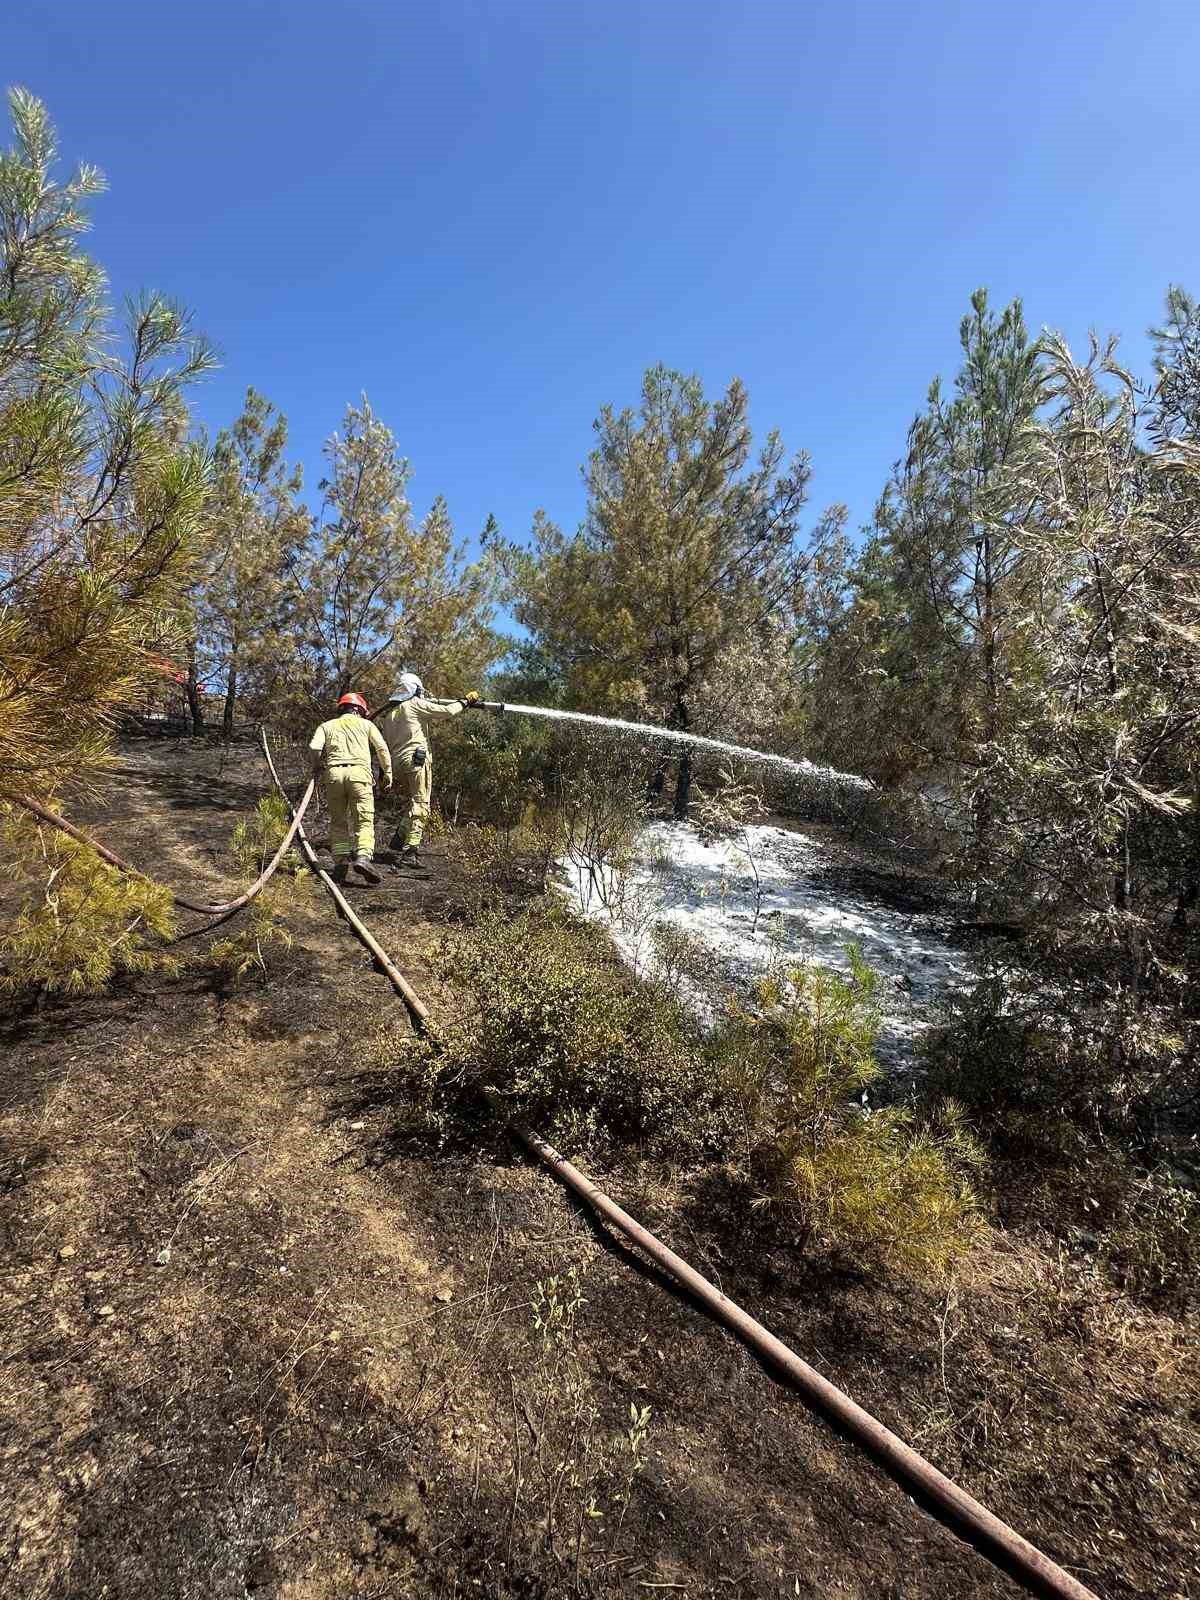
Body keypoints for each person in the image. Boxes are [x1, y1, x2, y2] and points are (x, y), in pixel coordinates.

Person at [378, 672, 480, 865]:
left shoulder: (390, 715)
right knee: (422, 805)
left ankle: (399, 838)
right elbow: (447, 711)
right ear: (415, 689)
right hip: (416, 761)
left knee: (413, 803)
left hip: (397, 764)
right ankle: (410, 851)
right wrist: (466, 701)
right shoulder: (414, 705)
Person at [308, 691, 392, 885]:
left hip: (334, 775)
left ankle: (341, 861)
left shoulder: (326, 726)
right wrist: (387, 774)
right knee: (363, 820)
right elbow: (382, 749)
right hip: (360, 775)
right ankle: (363, 857)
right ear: (360, 710)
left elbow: (314, 748)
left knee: (338, 821)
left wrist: (317, 766)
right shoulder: (367, 725)